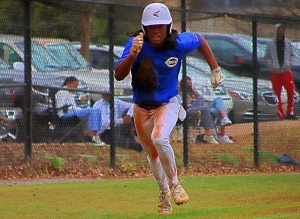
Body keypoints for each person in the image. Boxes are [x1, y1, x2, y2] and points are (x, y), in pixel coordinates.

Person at [114, 2, 224, 215]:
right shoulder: (135, 44)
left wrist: (215, 68)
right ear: (144, 28)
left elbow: (200, 39)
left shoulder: (179, 44)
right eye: (151, 26)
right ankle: (164, 192)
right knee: (152, 157)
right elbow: (118, 75)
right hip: (141, 108)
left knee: (159, 138)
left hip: (168, 104)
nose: (156, 30)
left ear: (168, 26)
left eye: (161, 26)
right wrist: (132, 55)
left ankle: (175, 184)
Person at [180, 76, 233, 144]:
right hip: (188, 109)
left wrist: (195, 93)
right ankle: (214, 135)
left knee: (218, 100)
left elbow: (201, 99)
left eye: (190, 83)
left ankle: (224, 118)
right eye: (188, 84)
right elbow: (184, 103)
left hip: (201, 107)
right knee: (204, 105)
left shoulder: (193, 92)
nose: (190, 85)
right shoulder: (180, 92)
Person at [55, 76, 103, 145]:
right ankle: (92, 135)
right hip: (65, 114)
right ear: (68, 84)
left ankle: (95, 134)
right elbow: (59, 106)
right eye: (75, 86)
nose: (76, 88)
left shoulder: (69, 93)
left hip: (73, 111)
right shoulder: (62, 92)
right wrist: (72, 109)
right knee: (92, 111)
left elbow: (74, 106)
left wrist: (80, 109)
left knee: (97, 110)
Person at [264, 23, 298, 120]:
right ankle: (280, 112)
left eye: (283, 29)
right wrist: (272, 66)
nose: (281, 31)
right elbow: (266, 57)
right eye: (279, 29)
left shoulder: (287, 43)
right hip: (275, 73)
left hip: (286, 71)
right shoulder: (270, 44)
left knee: (291, 91)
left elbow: (292, 55)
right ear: (276, 30)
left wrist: (289, 64)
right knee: (277, 93)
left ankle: (290, 112)